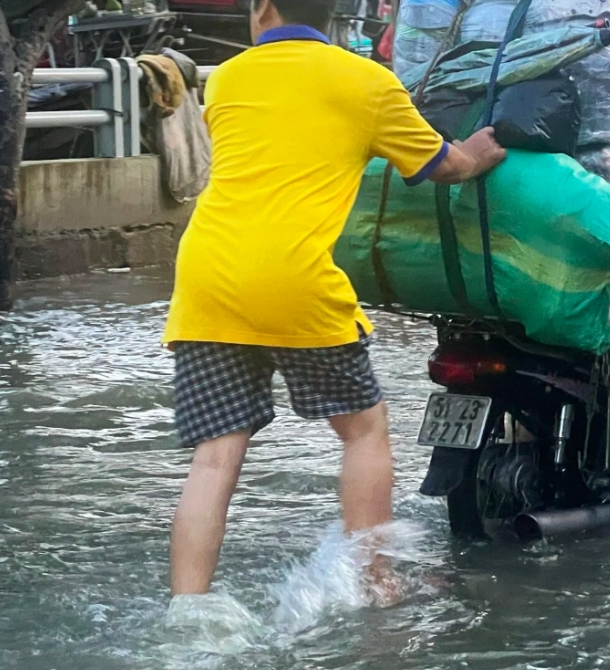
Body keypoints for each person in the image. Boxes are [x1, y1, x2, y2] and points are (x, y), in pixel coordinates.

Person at [161, 0, 506, 598]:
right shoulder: (368, 83)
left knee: (216, 456)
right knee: (364, 431)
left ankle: (187, 610)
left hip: (207, 276)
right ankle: (374, 584)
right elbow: (442, 165)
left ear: (262, 7)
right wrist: (476, 153)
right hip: (295, 277)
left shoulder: (228, 78)